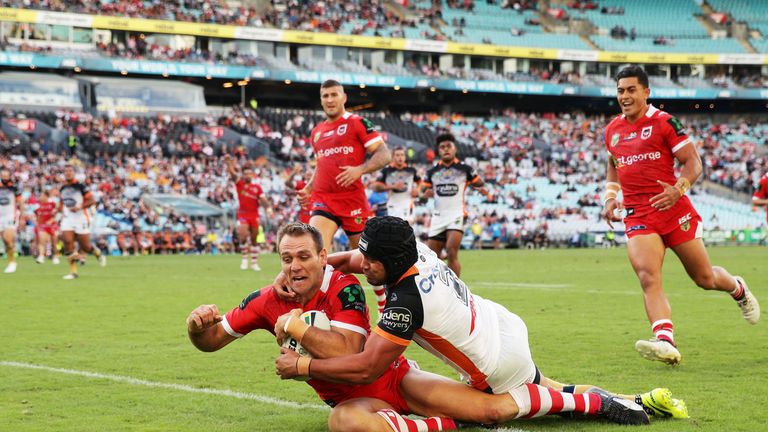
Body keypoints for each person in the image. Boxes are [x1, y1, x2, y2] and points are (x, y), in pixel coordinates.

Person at [190, 223, 653, 431]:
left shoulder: (369, 294)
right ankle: (622, 399)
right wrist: (198, 329)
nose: (293, 267)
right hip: (495, 325)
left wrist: (302, 356)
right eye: (286, 258)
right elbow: (213, 339)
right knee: (344, 421)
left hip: (474, 360)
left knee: (494, 408)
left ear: (386, 265)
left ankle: (596, 401)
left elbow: (362, 357)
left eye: (304, 257)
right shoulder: (412, 252)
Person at [601, 65, 760, 365]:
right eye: (620, 90)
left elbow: (693, 163)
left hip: (674, 211)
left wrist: (680, 188)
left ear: (646, 92)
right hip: (638, 215)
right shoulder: (612, 131)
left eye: (631, 89)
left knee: (704, 277)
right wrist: (611, 197)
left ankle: (737, 288)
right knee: (648, 276)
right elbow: (613, 163)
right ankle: (665, 340)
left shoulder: (665, 123)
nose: (625, 96)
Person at [298, 79, 391, 252]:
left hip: (352, 200)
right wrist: (309, 188)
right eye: (325, 96)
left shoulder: (357, 122)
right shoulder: (317, 132)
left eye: (334, 94)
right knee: (315, 250)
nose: (330, 99)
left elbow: (385, 154)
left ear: (344, 98)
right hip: (323, 199)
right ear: (321, 100)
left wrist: (360, 169)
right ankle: (328, 279)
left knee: (367, 260)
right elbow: (321, 165)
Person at [419, 134, 491, 276]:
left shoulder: (465, 169)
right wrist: (424, 196)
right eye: (442, 147)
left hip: (456, 214)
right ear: (438, 151)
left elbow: (482, 185)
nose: (446, 149)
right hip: (438, 217)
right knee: (431, 257)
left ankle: (456, 291)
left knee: (452, 252)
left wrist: (483, 190)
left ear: (455, 149)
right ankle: (438, 288)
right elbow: (421, 197)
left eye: (449, 146)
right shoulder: (431, 172)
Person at [224, 154, 272, 271]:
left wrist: (268, 208)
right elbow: (233, 174)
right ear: (243, 175)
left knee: (255, 238)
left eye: (249, 173)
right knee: (243, 234)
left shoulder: (257, 187)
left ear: (252, 175)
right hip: (243, 214)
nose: (247, 175)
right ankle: (245, 260)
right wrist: (229, 164)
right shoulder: (240, 184)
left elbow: (263, 200)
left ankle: (254, 263)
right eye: (245, 173)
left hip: (254, 214)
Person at [59, 164, 106, 279]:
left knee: (85, 246)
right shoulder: (62, 188)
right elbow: (62, 202)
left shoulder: (81, 187)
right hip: (68, 219)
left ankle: (97, 253)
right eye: (66, 171)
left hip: (81, 218)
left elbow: (92, 201)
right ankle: (73, 272)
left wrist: (80, 207)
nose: (68, 173)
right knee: (68, 242)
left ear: (73, 173)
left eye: (70, 171)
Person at [371, 146, 420, 223]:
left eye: (402, 155)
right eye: (397, 155)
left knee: (408, 229)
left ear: (405, 156)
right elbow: (375, 187)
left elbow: (421, 183)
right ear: (393, 157)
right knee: (394, 230)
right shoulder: (386, 171)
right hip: (392, 205)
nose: (400, 157)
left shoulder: (411, 170)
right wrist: (392, 186)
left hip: (407, 205)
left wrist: (417, 189)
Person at [1, 168, 23, 273]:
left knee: (7, 238)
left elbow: (21, 203)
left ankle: (12, 263)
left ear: (9, 176)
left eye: (6, 175)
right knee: (5, 241)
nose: (4, 177)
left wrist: (22, 217)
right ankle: (10, 258)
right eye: (3, 175)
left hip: (10, 216)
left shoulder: (14, 188)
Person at [34, 190, 60, 265]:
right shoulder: (39, 205)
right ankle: (41, 256)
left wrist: (52, 220)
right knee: (42, 241)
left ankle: (55, 256)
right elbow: (37, 215)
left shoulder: (52, 204)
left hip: (53, 226)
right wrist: (38, 223)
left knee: (54, 243)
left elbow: (58, 212)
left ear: (46, 196)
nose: (40, 197)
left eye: (41, 196)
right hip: (43, 226)